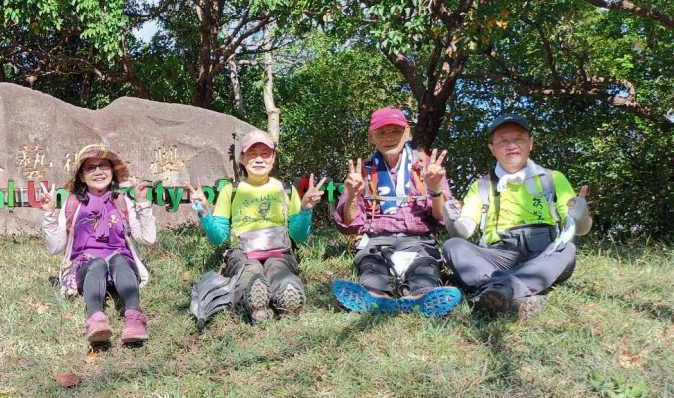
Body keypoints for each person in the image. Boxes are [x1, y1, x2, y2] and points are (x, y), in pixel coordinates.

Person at [442, 113, 592, 317]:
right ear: (492, 149)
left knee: (567, 250)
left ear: (530, 143)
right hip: (498, 255)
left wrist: (580, 213)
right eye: (503, 141)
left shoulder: (552, 178)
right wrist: (451, 217)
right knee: (453, 246)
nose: (511, 145)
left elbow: (578, 229)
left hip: (543, 253)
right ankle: (516, 298)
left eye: (518, 139)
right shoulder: (482, 186)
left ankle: (494, 291)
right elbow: (464, 232)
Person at [331, 107, 462, 317]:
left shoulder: (427, 168)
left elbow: (441, 218)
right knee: (371, 268)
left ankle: (420, 298)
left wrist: (435, 189)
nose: (389, 137)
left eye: (395, 131)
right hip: (376, 242)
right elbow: (349, 225)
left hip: (419, 241)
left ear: (407, 133)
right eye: (381, 132)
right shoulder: (363, 171)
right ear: (371, 136)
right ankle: (375, 298)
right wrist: (353, 195)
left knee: (425, 268)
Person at [187, 130, 324, 322]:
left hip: (279, 251)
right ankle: (253, 303)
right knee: (250, 271)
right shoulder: (230, 191)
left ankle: (288, 297)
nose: (258, 159)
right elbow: (218, 237)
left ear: (273, 158)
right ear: (241, 159)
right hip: (242, 253)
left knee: (279, 269)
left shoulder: (285, 189)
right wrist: (203, 211)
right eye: (252, 154)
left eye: (265, 153)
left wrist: (306, 209)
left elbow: (299, 236)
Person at [40, 144, 156, 347]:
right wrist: (49, 214)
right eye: (91, 168)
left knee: (119, 259)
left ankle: (134, 317)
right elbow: (55, 247)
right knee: (97, 263)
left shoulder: (122, 201)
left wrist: (142, 203)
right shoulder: (72, 203)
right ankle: (95, 319)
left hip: (122, 265)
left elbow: (147, 238)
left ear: (112, 172)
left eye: (104, 166)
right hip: (87, 266)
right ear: (82, 177)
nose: (99, 172)